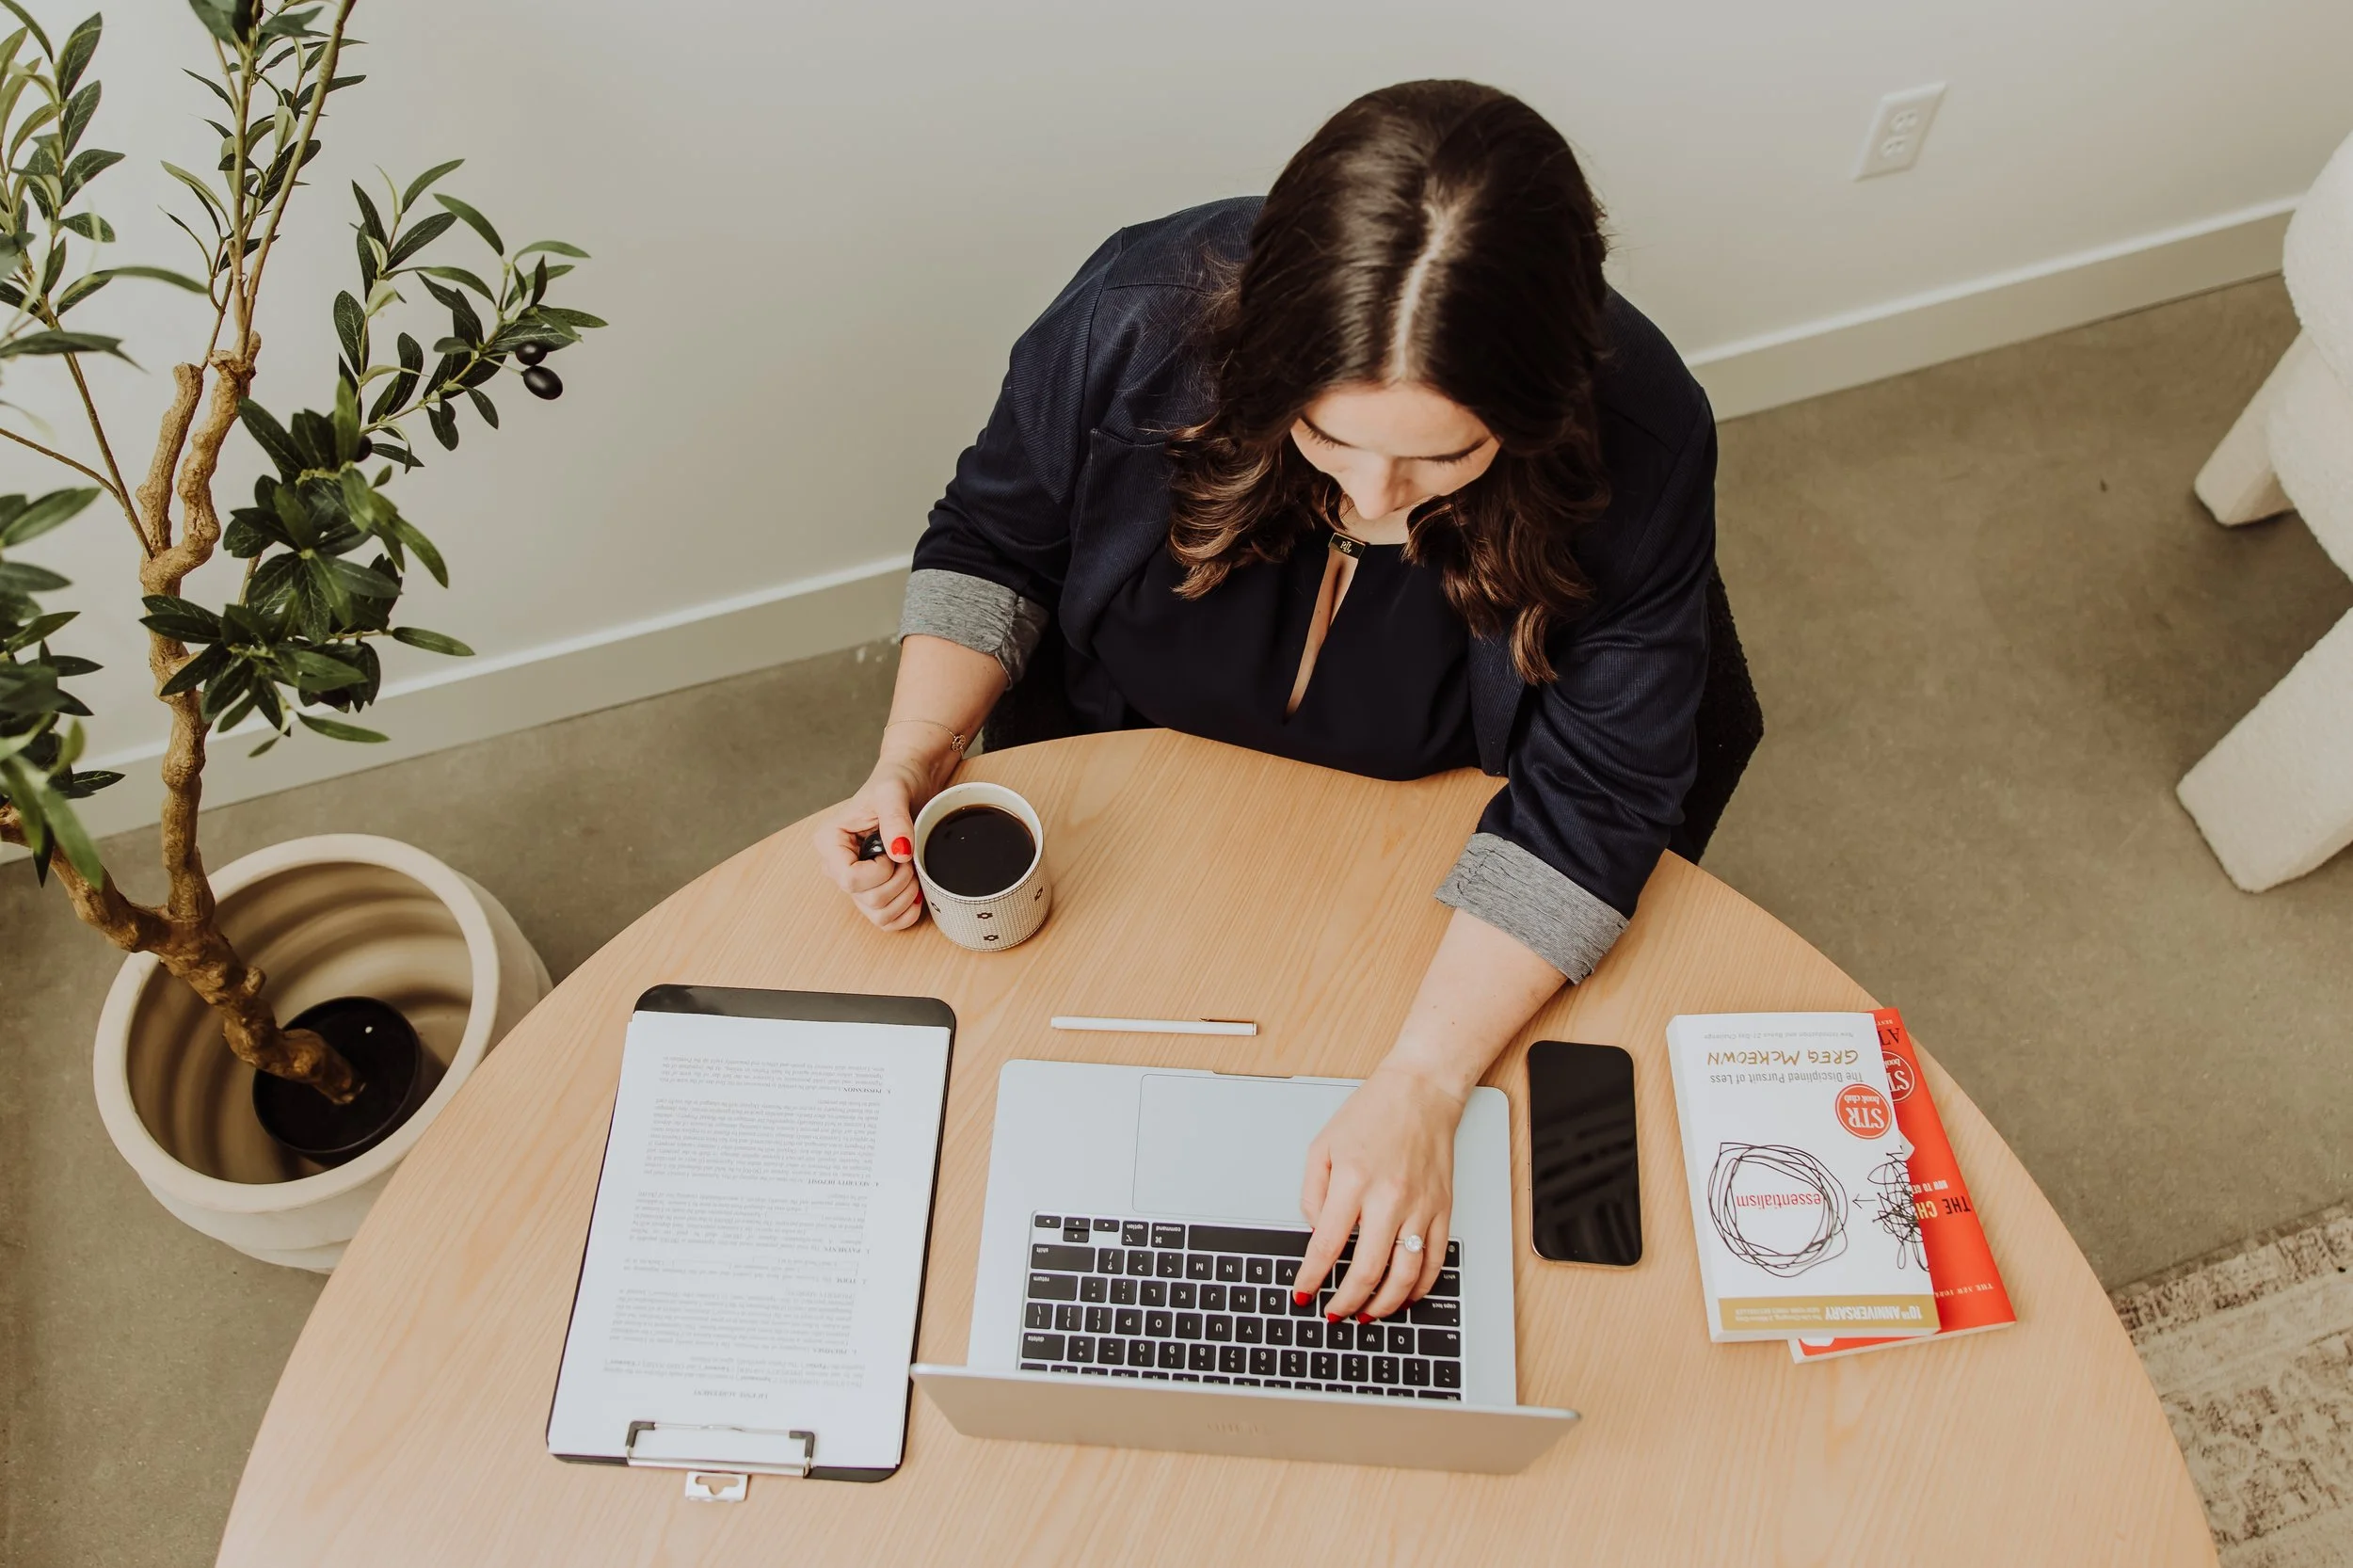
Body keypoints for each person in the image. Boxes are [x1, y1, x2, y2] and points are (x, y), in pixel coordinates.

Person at [813, 79, 1717, 1328]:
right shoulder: (1136, 316)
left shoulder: (1645, 435)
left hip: (1434, 845)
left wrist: (1423, 1082)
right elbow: (993, 540)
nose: (1376, 502)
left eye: (1441, 457)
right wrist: (916, 753)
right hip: (1125, 796)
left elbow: (1598, 791)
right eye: (1331, 435)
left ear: (1544, 407)